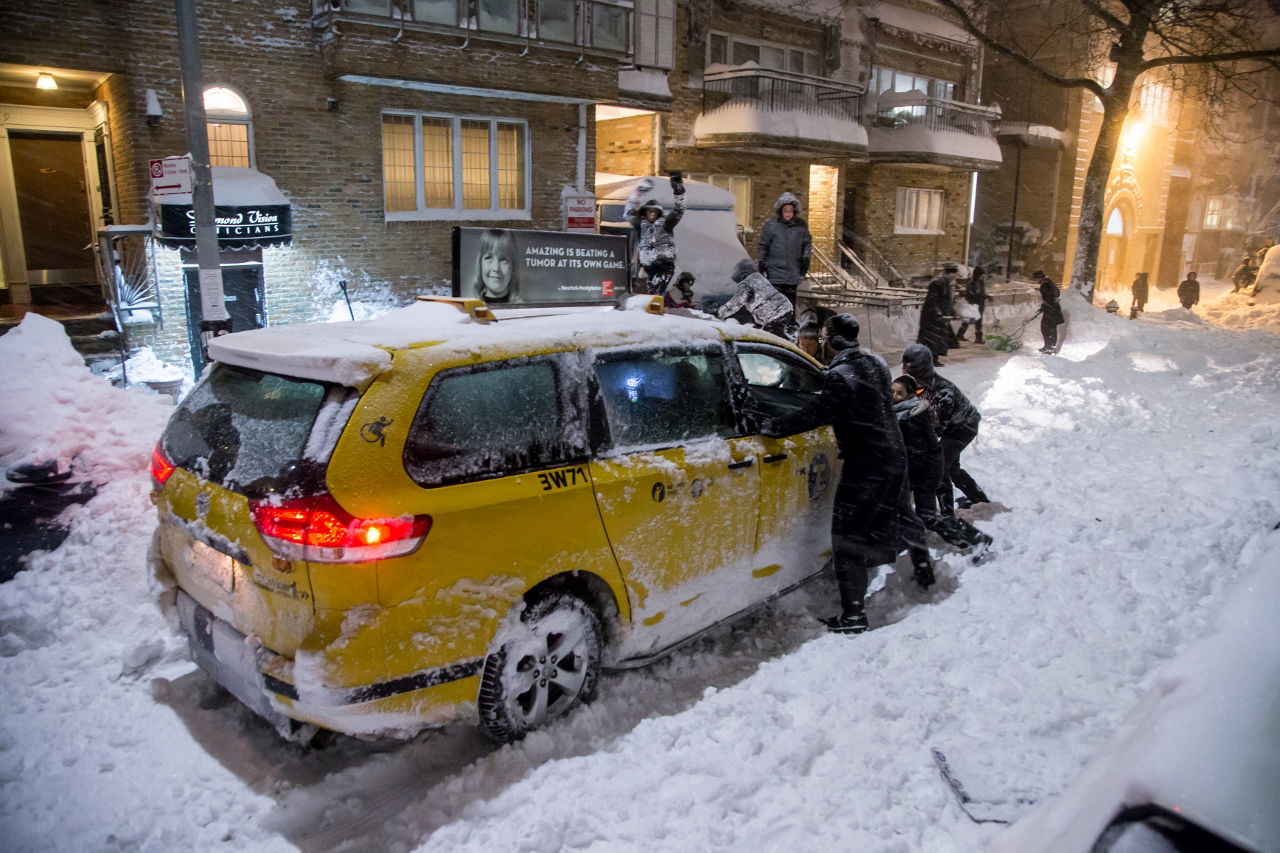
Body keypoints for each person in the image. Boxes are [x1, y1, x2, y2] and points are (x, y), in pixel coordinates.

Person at [809, 314, 933, 634]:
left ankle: (853, 615)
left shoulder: (839, 374)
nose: (822, 345)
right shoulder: (875, 363)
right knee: (897, 516)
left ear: (833, 342)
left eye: (823, 339)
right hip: (893, 456)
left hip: (866, 465)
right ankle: (923, 571)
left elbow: (818, 413)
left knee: (847, 536)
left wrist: (774, 425)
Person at [891, 375, 992, 553]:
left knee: (928, 516)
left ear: (910, 395)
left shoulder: (911, 413)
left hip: (926, 471)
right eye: (892, 391)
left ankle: (976, 540)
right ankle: (901, 542)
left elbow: (918, 450)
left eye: (899, 393)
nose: (894, 395)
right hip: (919, 468)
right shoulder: (901, 410)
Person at [901, 343, 990, 515]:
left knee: (940, 467)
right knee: (951, 467)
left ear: (921, 369)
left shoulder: (942, 392)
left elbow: (938, 427)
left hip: (964, 426)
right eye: (904, 366)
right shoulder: (916, 385)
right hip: (951, 425)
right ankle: (978, 498)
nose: (904, 371)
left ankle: (947, 515)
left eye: (909, 368)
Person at [625, 172, 686, 296]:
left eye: (655, 212)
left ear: (659, 213)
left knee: (656, 290)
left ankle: (652, 305)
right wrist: (641, 191)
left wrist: (678, 188)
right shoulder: (640, 224)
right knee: (650, 291)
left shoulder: (666, 223)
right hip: (648, 263)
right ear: (645, 212)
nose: (652, 214)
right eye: (650, 211)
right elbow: (629, 212)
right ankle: (649, 308)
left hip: (664, 262)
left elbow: (679, 209)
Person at [756, 191, 813, 308]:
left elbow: (807, 243)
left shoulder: (801, 226)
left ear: (794, 211)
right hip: (775, 271)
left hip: (793, 271)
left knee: (790, 301)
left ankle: (790, 324)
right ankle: (774, 323)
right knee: (775, 302)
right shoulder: (771, 225)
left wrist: (805, 258)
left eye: (790, 210)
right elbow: (764, 245)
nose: (788, 213)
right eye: (785, 210)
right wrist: (761, 262)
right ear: (781, 211)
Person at [717, 258, 797, 340]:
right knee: (775, 335)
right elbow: (759, 300)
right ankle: (790, 344)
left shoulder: (746, 283)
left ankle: (788, 350)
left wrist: (719, 313)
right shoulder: (757, 277)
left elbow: (737, 302)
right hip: (784, 308)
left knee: (770, 338)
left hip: (776, 313)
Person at [917, 264, 959, 364]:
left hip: (940, 316)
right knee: (931, 339)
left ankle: (933, 359)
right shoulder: (937, 283)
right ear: (948, 273)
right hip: (931, 317)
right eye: (954, 275)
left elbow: (947, 301)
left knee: (937, 339)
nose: (955, 277)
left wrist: (953, 312)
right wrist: (938, 314)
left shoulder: (947, 283)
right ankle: (928, 360)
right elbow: (932, 301)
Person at [470, 228, 520, 303]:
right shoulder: (471, 308)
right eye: (489, 258)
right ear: (480, 264)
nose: (496, 268)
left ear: (513, 266)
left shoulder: (523, 308)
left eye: (503, 259)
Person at [1032, 269, 1064, 353]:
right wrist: (1044, 306)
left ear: (1040, 277)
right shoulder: (1047, 282)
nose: (1035, 281)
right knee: (1048, 328)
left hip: (1052, 309)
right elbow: (1053, 294)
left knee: (1047, 328)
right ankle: (1048, 346)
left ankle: (1050, 347)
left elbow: (1053, 294)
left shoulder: (1046, 284)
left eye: (1036, 279)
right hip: (1052, 308)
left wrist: (1047, 304)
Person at [955, 265, 988, 344]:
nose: (983, 276)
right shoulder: (972, 283)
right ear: (978, 274)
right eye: (981, 274)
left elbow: (981, 293)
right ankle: (977, 338)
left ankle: (960, 336)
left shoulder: (980, 282)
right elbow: (973, 294)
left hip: (980, 304)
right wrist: (983, 297)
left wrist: (985, 296)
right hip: (973, 304)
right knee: (972, 320)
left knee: (973, 321)